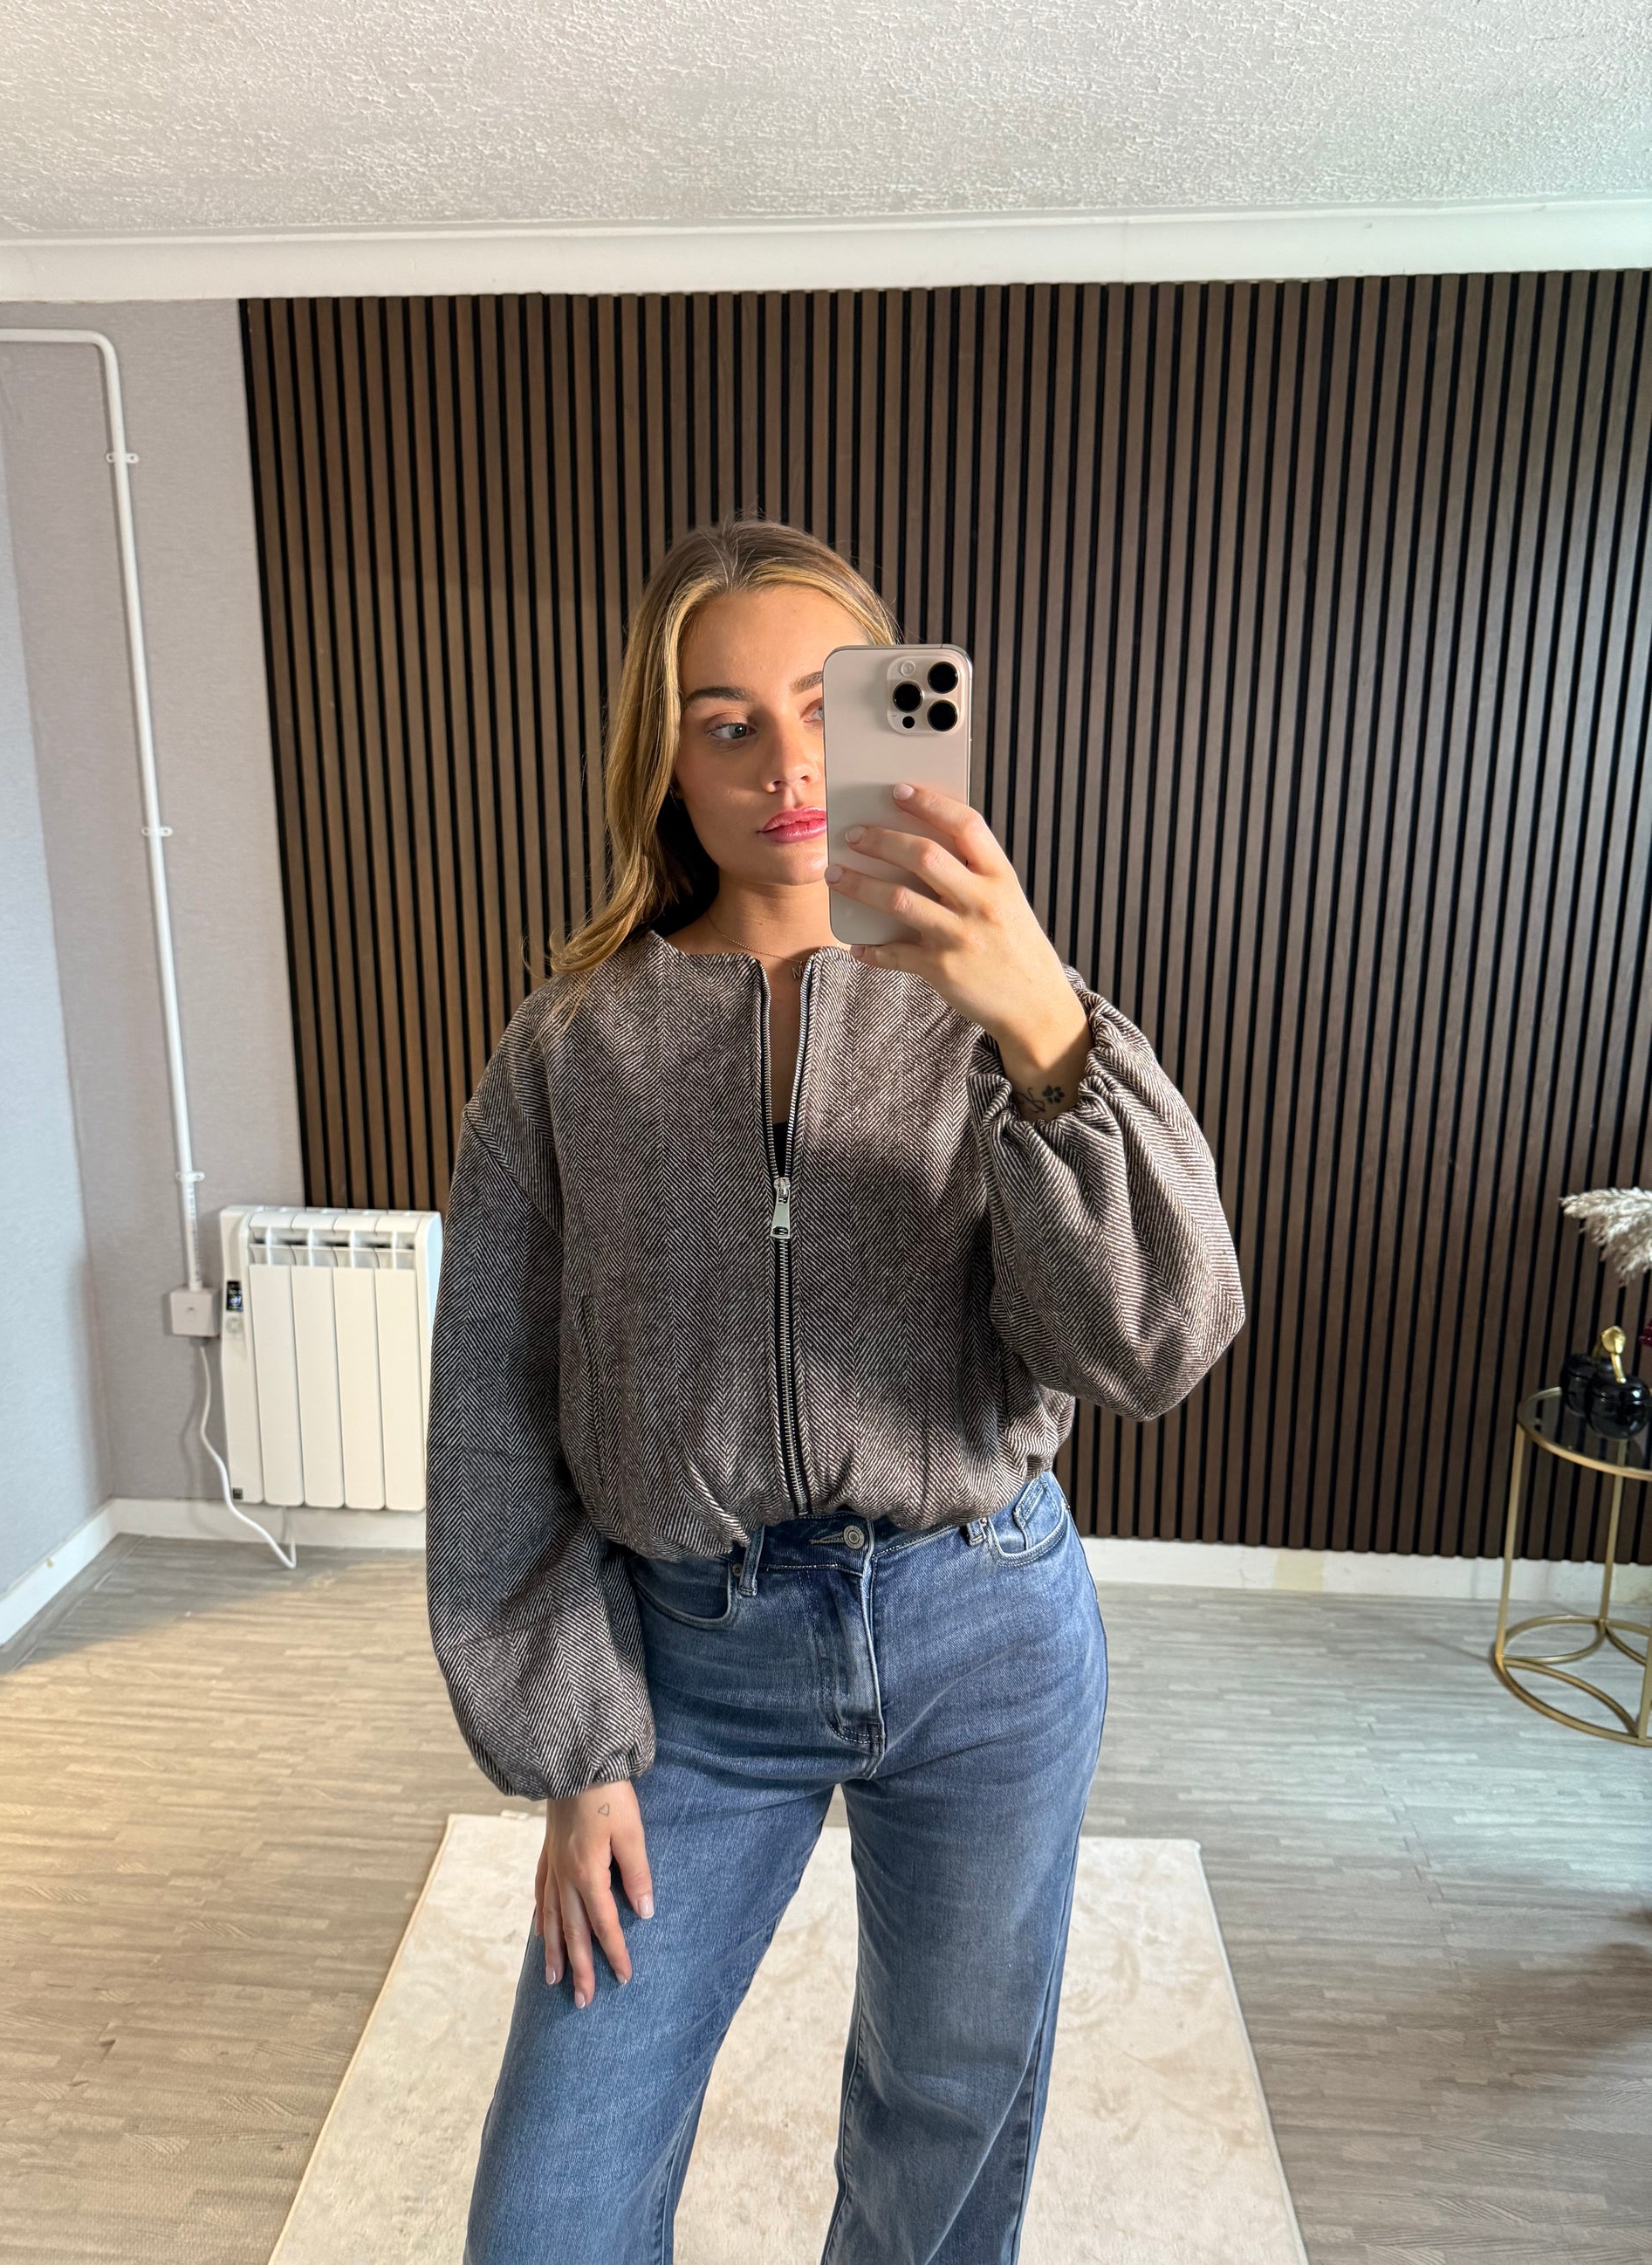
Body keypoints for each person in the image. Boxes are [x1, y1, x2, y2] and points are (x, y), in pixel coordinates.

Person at [425, 514, 1245, 2264]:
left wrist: (1038, 1027)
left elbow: (1154, 1345)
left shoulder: (999, 1006)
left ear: (893, 713)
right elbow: (494, 1408)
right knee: (550, 2199)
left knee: (942, 2122)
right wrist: (574, 1750)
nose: (786, 767)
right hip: (691, 1668)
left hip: (986, 1633)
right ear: (663, 762)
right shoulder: (572, 1045)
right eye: (723, 723)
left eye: (823, 707)